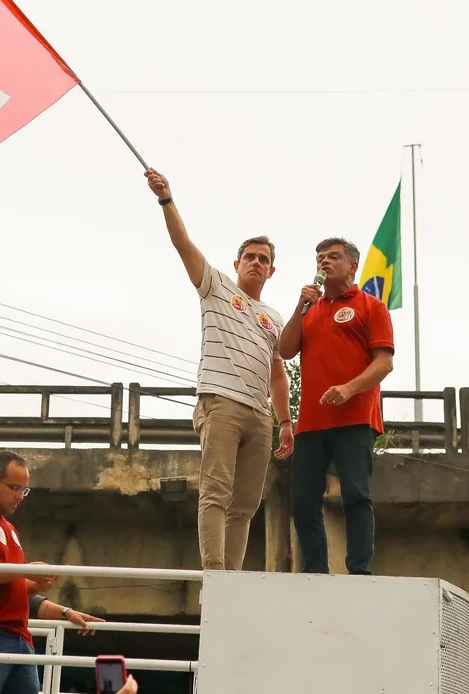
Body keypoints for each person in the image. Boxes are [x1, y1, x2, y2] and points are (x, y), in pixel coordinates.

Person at [145, 168, 294, 571]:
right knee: (216, 491)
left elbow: (278, 372)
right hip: (221, 402)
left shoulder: (274, 317)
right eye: (251, 257)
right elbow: (183, 244)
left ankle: (233, 576)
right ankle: (214, 572)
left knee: (245, 504)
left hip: (260, 414)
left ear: (272, 270)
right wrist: (166, 199)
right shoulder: (217, 287)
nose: (257, 263)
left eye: (264, 260)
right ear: (237, 262)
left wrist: (284, 421)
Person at [278, 237, 395, 575]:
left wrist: (348, 389)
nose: (324, 262)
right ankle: (316, 571)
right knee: (303, 502)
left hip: (356, 418)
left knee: (356, 494)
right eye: (319, 258)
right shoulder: (310, 309)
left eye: (332, 256)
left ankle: (358, 570)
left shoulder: (370, 306)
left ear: (352, 265)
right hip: (312, 423)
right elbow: (286, 350)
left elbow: (383, 363)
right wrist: (300, 307)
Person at [0, 450, 100, 694]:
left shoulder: (8, 527)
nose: (19, 497)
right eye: (14, 488)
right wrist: (25, 571)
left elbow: (7, 581)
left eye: (24, 490)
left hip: (19, 637)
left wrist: (38, 585)